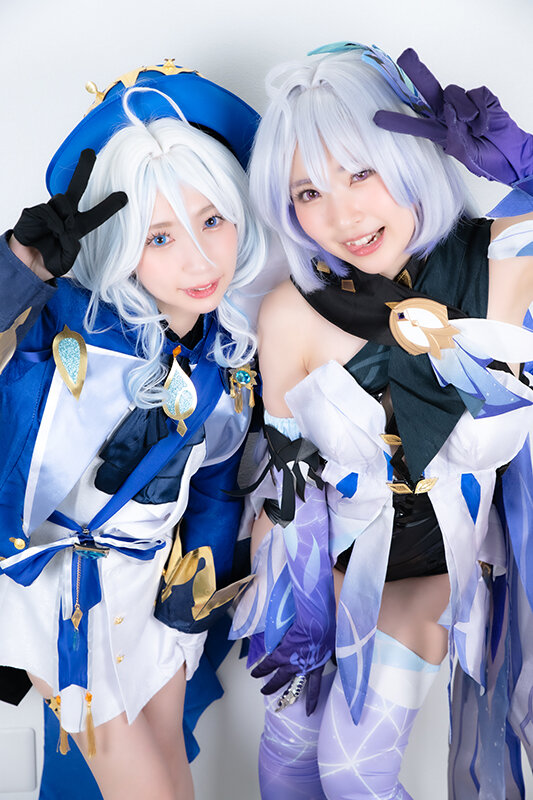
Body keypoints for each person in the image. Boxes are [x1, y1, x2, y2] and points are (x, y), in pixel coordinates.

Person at [230, 42, 533, 798]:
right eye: (307, 192)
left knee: (353, 768)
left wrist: (525, 162)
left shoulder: (500, 260)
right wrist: (294, 596)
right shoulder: (290, 313)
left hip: (441, 568)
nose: (342, 217)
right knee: (290, 748)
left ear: (410, 157)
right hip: (324, 564)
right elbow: (289, 481)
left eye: (360, 172)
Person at [0, 60, 266, 800]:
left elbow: (216, 488)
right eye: (160, 237)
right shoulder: (65, 318)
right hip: (53, 591)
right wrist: (19, 264)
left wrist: (191, 606)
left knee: (172, 782)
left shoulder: (228, 354)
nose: (198, 258)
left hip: (153, 593)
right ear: (120, 243)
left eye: (211, 221)